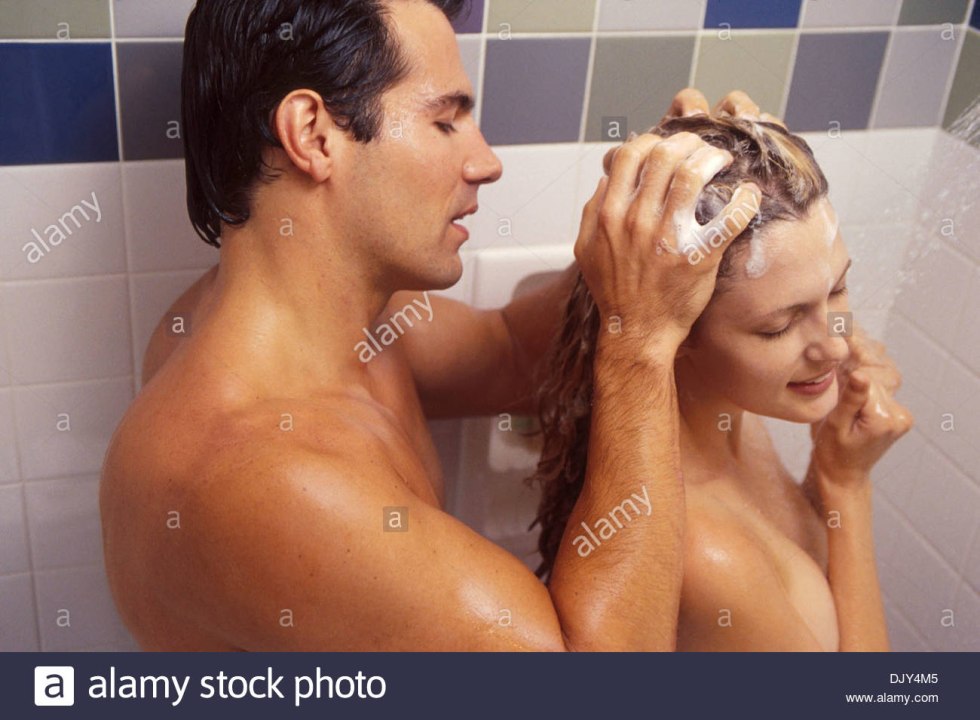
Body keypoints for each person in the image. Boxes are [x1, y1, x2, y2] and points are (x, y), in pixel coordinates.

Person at [100, 0, 762, 650]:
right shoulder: (267, 479)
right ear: (312, 134)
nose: (486, 162)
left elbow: (508, 355)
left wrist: (653, 220)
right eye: (446, 122)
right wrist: (639, 342)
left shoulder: (338, 331)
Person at [530, 114, 913, 651]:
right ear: (680, 328)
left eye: (836, 290)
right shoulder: (708, 553)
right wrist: (847, 487)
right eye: (778, 326)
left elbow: (792, 564)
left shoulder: (732, 413)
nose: (838, 344)